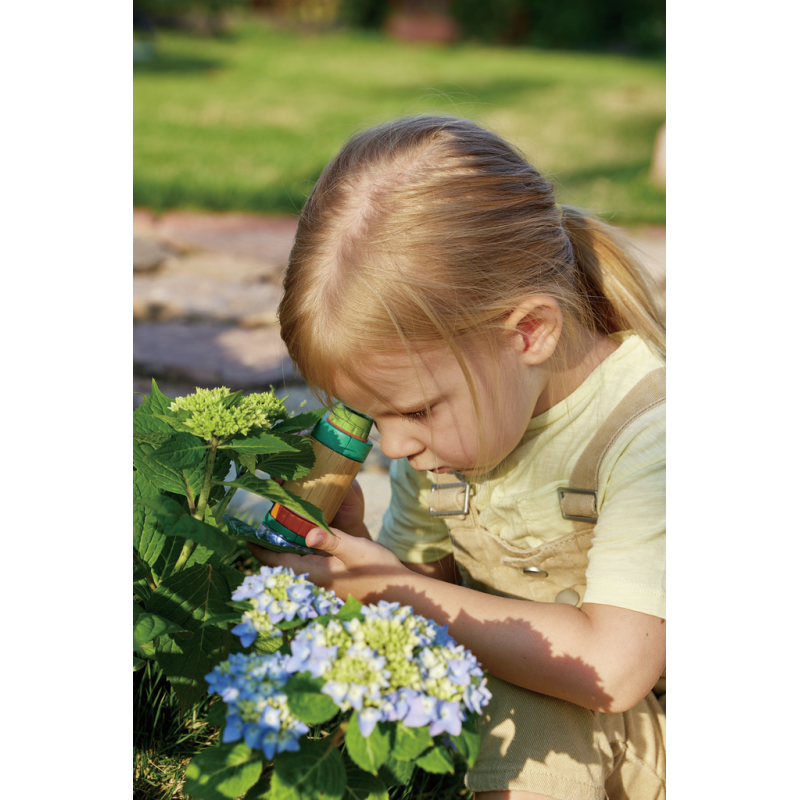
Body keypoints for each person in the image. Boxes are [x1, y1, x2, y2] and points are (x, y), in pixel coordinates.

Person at [248, 115, 666, 800]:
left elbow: (613, 670)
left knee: (529, 710)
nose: (394, 448)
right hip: (571, 721)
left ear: (530, 332)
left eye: (413, 410)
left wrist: (393, 590)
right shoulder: (448, 442)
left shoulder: (652, 436)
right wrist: (354, 557)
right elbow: (424, 588)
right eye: (370, 415)